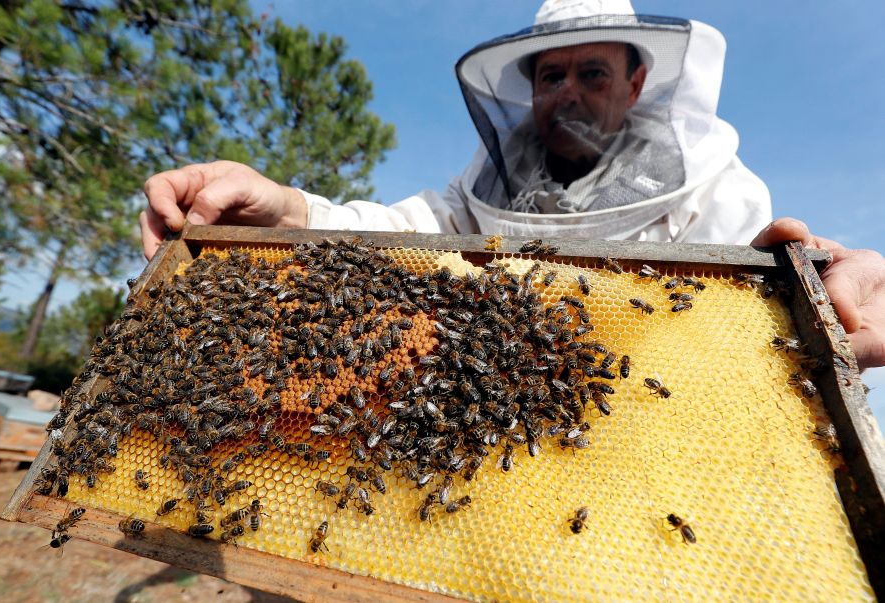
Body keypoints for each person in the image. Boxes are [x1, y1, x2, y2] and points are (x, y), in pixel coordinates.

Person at [139, 0, 884, 370]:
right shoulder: (485, 184)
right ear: (529, 92)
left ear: (636, 83)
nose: (567, 92)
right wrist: (291, 208)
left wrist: (810, 289)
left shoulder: (716, 193)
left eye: (592, 72)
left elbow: (747, 337)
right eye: (550, 76)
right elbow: (394, 230)